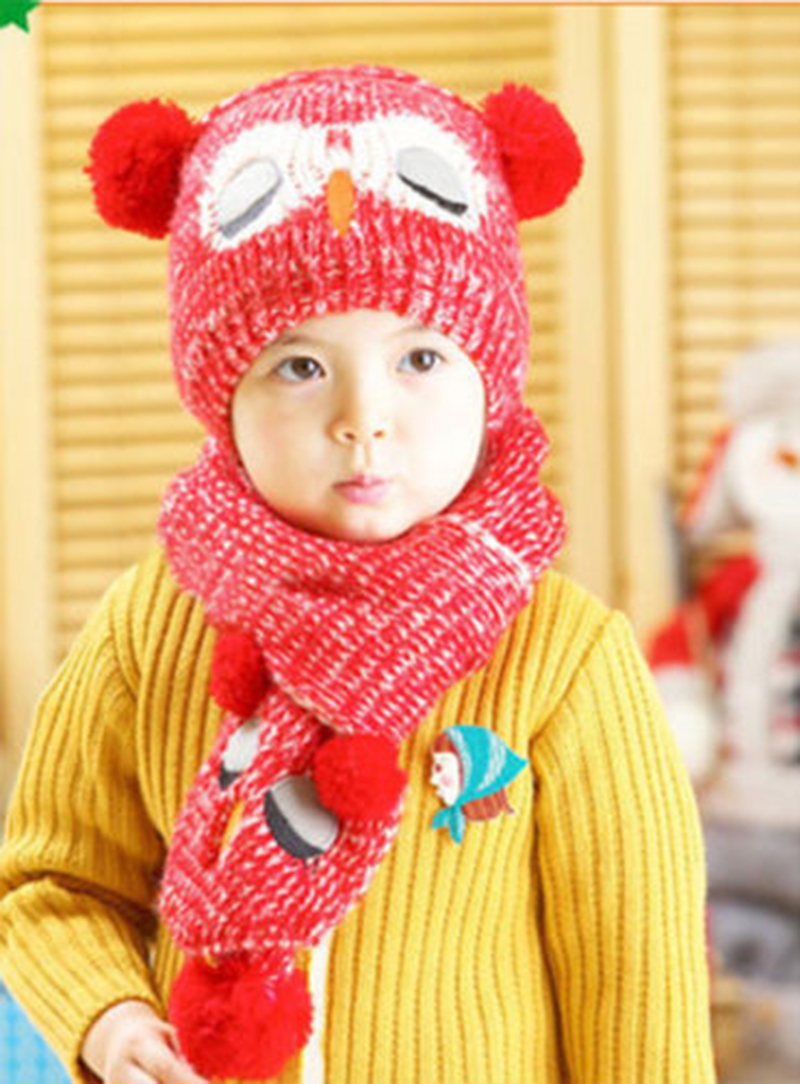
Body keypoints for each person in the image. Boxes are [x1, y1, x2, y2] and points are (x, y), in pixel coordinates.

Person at [0, 64, 717, 1084]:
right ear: (221, 400)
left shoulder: (564, 658)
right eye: (299, 366)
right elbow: (51, 884)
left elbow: (636, 987)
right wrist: (106, 1016)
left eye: (419, 360)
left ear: (489, 378)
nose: (363, 419)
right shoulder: (150, 627)